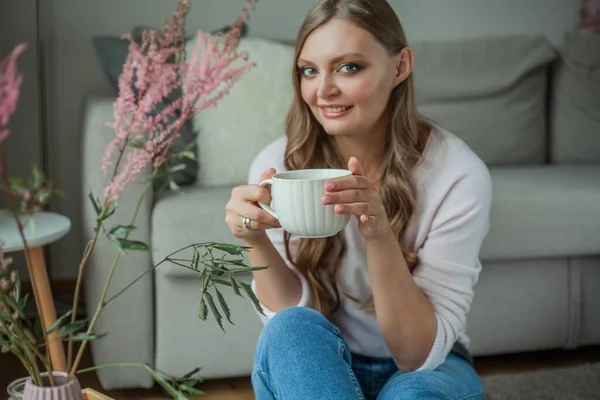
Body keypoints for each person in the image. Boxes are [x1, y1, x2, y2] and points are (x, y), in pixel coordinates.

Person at [224, 0, 492, 398]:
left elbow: (416, 355)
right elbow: (296, 322)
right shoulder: (277, 166)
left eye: (349, 67)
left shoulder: (457, 174)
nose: (323, 90)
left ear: (400, 66)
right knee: (289, 330)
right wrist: (253, 240)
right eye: (309, 71)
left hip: (432, 366)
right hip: (325, 368)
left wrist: (380, 236)